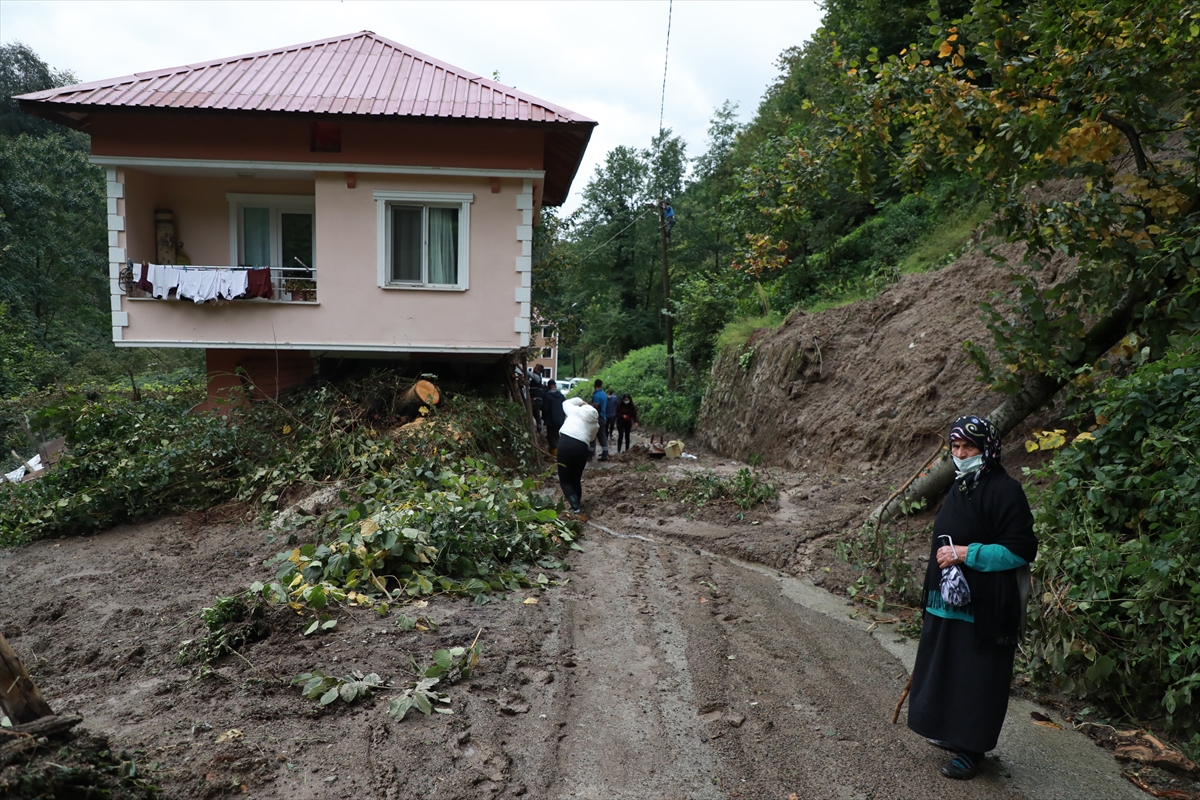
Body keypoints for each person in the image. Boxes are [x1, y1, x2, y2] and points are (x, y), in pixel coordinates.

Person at [906, 416, 1038, 780]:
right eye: (956, 447)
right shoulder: (961, 485)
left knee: (977, 675)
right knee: (947, 668)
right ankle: (950, 733)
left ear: (987, 449)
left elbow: (1021, 549)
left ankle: (971, 748)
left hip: (985, 606)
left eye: (969, 447)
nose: (961, 453)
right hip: (949, 601)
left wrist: (966, 554)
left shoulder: (1005, 491)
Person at [556, 396, 599, 514]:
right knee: (575, 479)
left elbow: (565, 402)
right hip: (581, 447)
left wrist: (580, 401)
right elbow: (592, 438)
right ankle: (577, 504)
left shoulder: (575, 411)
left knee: (564, 480)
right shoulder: (595, 424)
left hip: (565, 444)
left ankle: (575, 507)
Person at [543, 379, 566, 457]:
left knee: (551, 437)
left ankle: (554, 455)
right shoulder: (561, 396)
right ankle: (556, 453)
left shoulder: (548, 396)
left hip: (551, 421)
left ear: (549, 386)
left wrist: (544, 418)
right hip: (560, 420)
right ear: (555, 385)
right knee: (558, 436)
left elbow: (545, 409)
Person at [591, 379, 610, 461]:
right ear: (601, 385)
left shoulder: (596, 396)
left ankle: (590, 454)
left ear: (594, 385)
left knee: (592, 436)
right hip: (603, 417)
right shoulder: (604, 395)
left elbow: (595, 409)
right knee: (602, 436)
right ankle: (605, 453)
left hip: (597, 418)